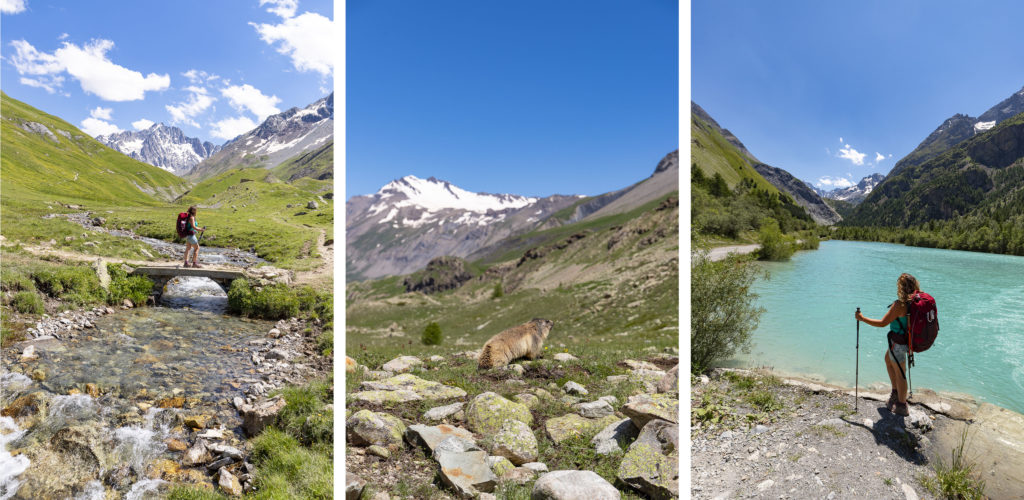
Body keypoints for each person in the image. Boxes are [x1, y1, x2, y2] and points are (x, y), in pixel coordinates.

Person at [855, 273, 920, 417]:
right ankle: (895, 393)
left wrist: (862, 318)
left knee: (900, 373)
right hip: (905, 341)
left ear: (901, 287)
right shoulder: (914, 302)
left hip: (898, 343)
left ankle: (902, 405)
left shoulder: (900, 305)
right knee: (888, 361)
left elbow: (883, 323)